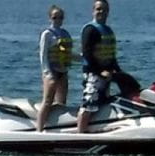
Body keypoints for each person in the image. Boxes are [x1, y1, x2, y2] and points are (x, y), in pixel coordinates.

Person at [76, 0, 121, 133]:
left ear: (108, 12)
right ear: (93, 11)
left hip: (106, 74)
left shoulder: (108, 30)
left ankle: (95, 130)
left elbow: (111, 55)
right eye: (98, 9)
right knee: (88, 105)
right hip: (93, 74)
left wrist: (118, 72)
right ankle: (80, 135)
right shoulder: (90, 29)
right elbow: (87, 55)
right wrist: (100, 72)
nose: (101, 12)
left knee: (102, 103)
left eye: (104, 9)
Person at [36, 5, 72, 131]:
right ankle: (39, 129)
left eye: (60, 17)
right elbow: (43, 55)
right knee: (47, 101)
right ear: (50, 18)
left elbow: (69, 54)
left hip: (63, 72)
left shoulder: (65, 34)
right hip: (51, 72)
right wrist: (47, 73)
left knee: (61, 103)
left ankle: (57, 127)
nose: (58, 20)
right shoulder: (47, 34)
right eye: (55, 17)